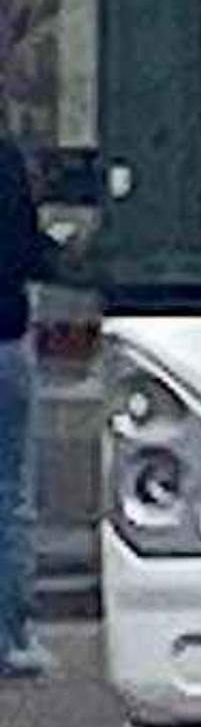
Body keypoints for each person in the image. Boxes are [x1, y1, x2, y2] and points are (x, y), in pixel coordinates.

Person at [0, 119, 52, 679]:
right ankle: (9, 637)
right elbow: (25, 250)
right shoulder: (5, 160)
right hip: (3, 337)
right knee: (8, 491)